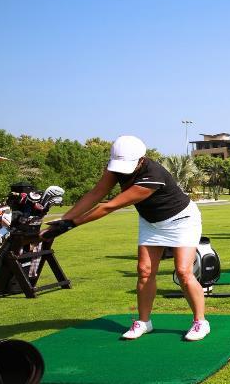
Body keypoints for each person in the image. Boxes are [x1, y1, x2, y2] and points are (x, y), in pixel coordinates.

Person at [40, 136, 209, 341]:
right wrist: (63, 219)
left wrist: (70, 225)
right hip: (151, 222)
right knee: (144, 271)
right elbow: (96, 193)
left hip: (181, 220)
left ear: (141, 159)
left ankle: (200, 322)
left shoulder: (152, 175)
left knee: (183, 271)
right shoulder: (115, 169)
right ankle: (144, 322)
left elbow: (109, 206)